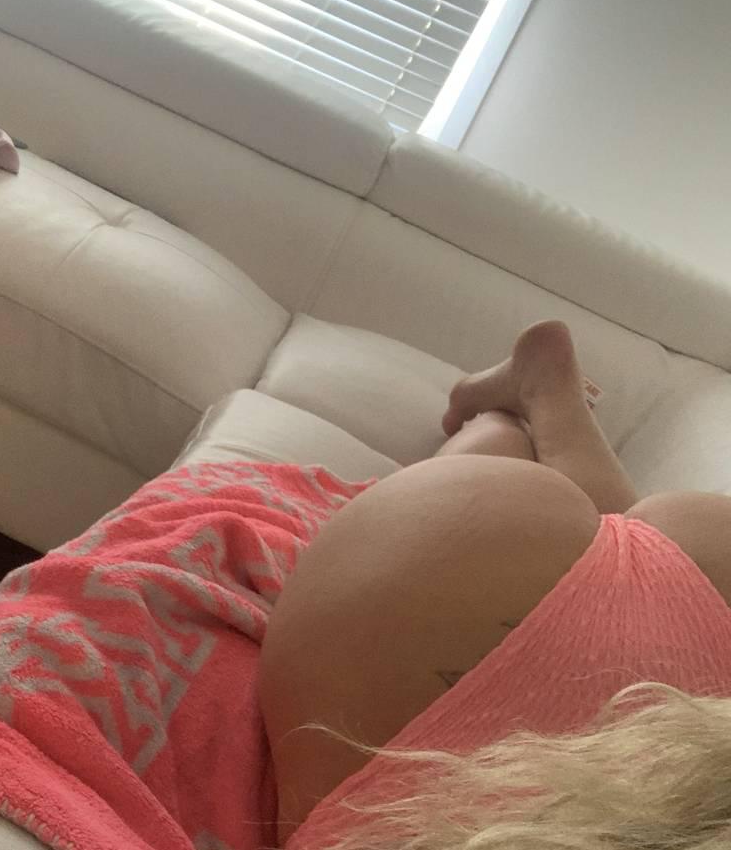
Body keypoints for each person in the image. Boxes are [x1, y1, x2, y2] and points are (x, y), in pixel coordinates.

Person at [260, 320, 731, 850]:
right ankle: (537, 402)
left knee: (579, 524)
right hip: (458, 590)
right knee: (563, 532)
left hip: (698, 603)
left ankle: (536, 400)